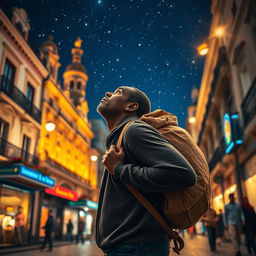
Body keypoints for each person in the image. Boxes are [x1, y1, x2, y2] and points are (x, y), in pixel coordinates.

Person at [95, 86, 196, 256]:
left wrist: (119, 169)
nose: (108, 93)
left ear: (131, 107)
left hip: (137, 247)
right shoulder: (123, 135)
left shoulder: (134, 130)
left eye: (118, 92)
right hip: (131, 247)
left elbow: (182, 173)